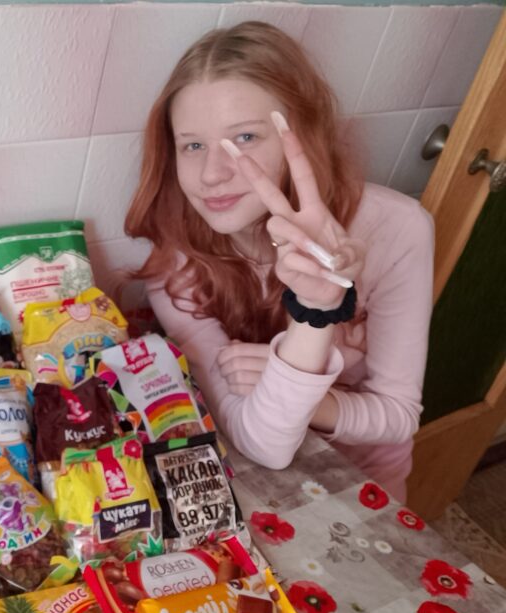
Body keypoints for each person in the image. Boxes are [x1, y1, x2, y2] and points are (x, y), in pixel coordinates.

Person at [125, 21, 434, 502]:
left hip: (365, 484)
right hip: (261, 482)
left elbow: (397, 416)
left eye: (245, 138)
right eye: (193, 145)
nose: (212, 174)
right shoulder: (176, 259)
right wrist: (314, 315)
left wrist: (297, 371)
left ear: (303, 136)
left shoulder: (397, 228)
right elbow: (265, 445)